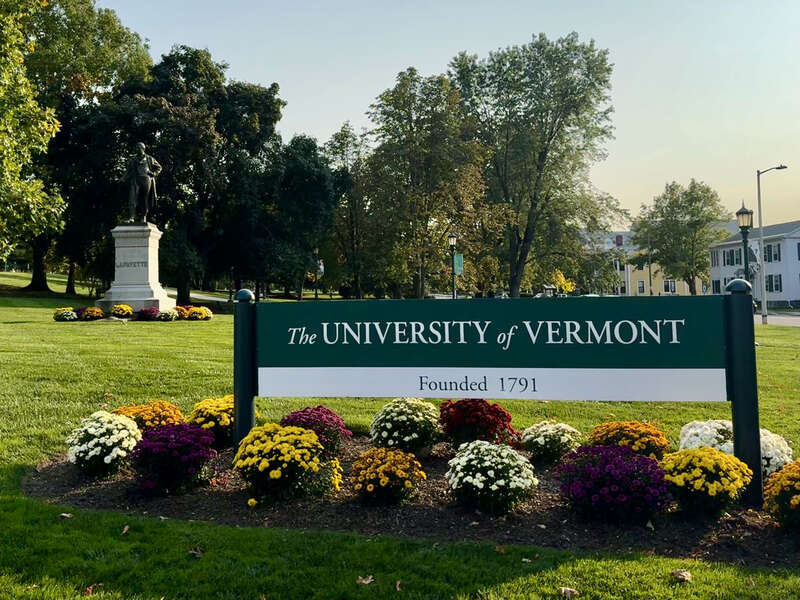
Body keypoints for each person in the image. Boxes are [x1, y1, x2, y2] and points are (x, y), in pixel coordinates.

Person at [126, 142, 162, 223]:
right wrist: (122, 178)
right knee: (132, 198)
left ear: (143, 148)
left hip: (146, 180)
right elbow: (128, 171)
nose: (137, 149)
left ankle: (143, 216)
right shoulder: (133, 159)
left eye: (138, 148)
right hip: (135, 180)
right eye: (136, 148)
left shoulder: (149, 158)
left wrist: (153, 173)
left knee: (144, 199)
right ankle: (132, 217)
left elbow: (159, 167)